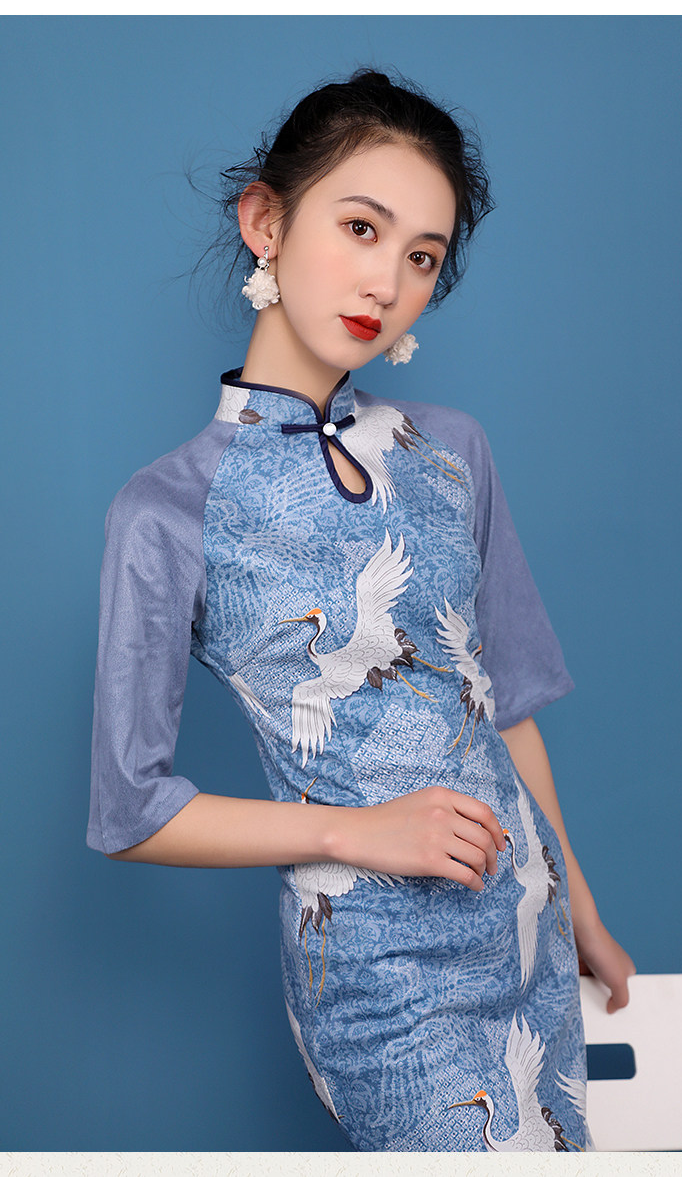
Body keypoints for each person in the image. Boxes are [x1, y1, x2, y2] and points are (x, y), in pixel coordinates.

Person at [87, 68, 635, 1152]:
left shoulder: (454, 452)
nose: (386, 281)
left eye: (422, 256)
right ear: (266, 222)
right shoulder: (170, 509)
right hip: (383, 976)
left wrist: (581, 910)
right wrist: (354, 830)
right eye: (360, 228)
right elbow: (131, 811)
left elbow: (505, 707)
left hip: (527, 935)